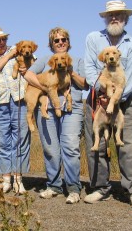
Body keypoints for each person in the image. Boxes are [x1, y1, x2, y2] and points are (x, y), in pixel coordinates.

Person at [84, 0, 132, 208]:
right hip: (97, 97)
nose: (114, 18)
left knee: (129, 147)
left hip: (126, 99)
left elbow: (130, 79)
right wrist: (102, 93)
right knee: (97, 144)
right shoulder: (93, 39)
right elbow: (90, 70)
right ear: (104, 17)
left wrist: (114, 98)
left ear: (125, 18)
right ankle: (100, 187)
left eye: (118, 15)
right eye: (110, 15)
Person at [24, 27, 88, 204]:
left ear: (68, 41)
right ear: (51, 44)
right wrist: (45, 89)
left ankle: (73, 188)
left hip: (71, 109)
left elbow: (84, 85)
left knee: (70, 147)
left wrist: (70, 71)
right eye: (56, 40)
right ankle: (53, 185)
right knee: (50, 149)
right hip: (47, 110)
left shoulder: (78, 61)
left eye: (64, 39)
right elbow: (28, 75)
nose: (60, 43)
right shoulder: (45, 60)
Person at [0, 27, 30, 194]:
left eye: (4, 39)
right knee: (2, 142)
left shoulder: (16, 49)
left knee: (20, 139)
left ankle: (18, 179)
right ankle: (6, 179)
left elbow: (32, 61)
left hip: (19, 100)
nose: (2, 43)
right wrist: (8, 56)